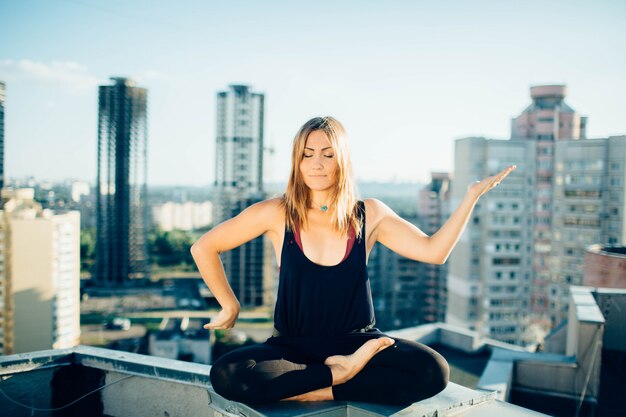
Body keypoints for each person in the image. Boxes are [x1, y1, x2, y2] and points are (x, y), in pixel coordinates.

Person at [190, 116, 516, 405]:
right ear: (297, 162)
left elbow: (434, 252)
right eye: (308, 154)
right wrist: (229, 306)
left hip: (360, 345)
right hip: (290, 348)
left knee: (433, 370)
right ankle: (339, 375)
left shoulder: (369, 214)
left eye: (328, 154)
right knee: (228, 374)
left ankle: (324, 385)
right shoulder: (277, 212)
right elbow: (204, 247)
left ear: (342, 160)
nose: (317, 163)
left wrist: (470, 198)